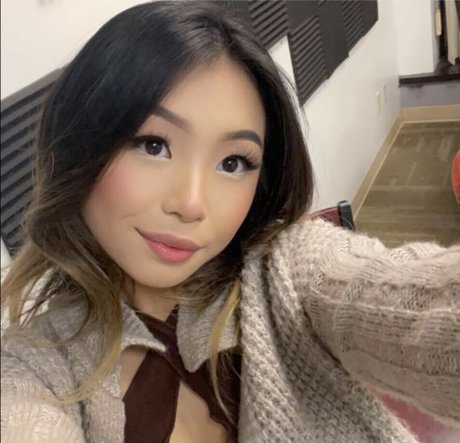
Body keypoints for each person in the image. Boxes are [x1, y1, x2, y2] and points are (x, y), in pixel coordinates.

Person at [1, 2, 459, 442]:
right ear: (78, 143)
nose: (192, 204)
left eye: (233, 162)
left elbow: (414, 307)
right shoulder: (35, 366)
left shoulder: (290, 272)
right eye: (153, 145)